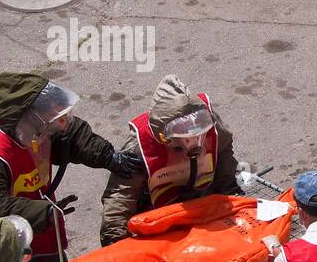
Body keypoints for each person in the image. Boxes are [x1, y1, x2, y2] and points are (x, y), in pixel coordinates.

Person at [0, 73, 140, 262]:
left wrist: (108, 157)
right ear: (28, 120)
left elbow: (72, 134)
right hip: (2, 234)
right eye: (51, 121)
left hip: (39, 214)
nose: (59, 124)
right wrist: (42, 213)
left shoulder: (38, 122)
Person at [99, 76, 241, 245]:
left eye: (198, 129)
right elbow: (121, 195)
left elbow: (224, 153)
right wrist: (115, 241)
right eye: (184, 133)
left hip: (203, 205)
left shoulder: (211, 125)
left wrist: (229, 192)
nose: (195, 138)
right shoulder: (139, 148)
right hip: (158, 219)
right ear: (164, 136)